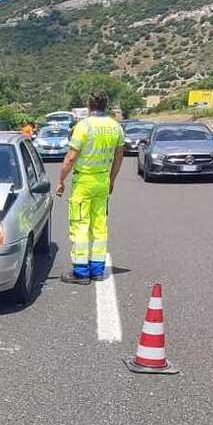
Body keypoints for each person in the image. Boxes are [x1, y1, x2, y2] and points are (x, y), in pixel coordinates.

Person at [55, 92, 124, 284]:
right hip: (102, 181)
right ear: (106, 105)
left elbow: (70, 158)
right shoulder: (115, 127)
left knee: (80, 225)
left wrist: (61, 180)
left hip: (84, 182)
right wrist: (112, 179)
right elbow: (119, 157)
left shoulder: (83, 126)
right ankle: (97, 269)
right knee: (99, 226)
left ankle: (81, 272)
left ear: (89, 105)